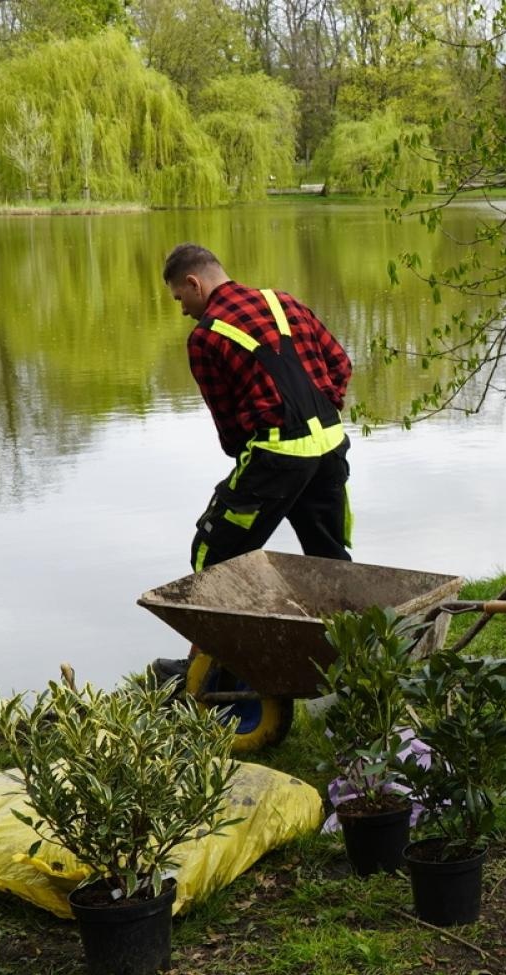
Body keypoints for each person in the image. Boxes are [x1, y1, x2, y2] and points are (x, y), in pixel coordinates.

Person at [151, 244, 355, 679]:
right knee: (328, 555)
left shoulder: (206, 337)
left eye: (179, 298)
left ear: (194, 283)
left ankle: (211, 671)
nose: (183, 309)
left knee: (213, 552)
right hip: (332, 448)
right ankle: (358, 657)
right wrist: (318, 411)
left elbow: (228, 427)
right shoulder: (284, 302)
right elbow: (340, 364)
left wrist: (269, 441)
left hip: (277, 458)